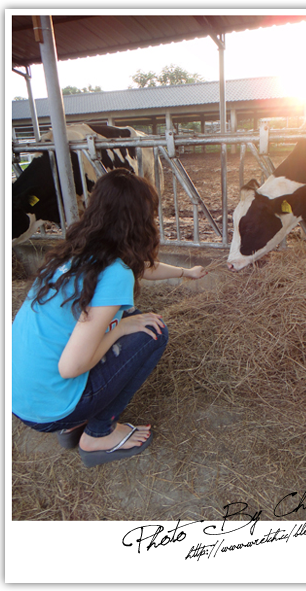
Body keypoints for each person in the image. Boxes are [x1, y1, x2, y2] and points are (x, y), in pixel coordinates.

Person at [12, 168, 207, 468]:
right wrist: (121, 329)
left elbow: (139, 267)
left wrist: (185, 272)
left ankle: (70, 426)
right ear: (140, 220)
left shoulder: (74, 251)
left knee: (130, 317)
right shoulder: (114, 273)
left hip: (22, 398)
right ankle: (98, 434)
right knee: (151, 331)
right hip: (51, 406)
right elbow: (70, 367)